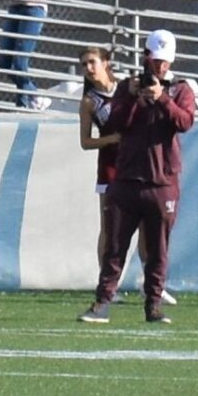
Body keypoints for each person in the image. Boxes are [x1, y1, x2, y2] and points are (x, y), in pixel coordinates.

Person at [81, 28, 195, 326]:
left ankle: (153, 305)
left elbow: (185, 122)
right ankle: (102, 303)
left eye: (165, 61)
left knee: (158, 250)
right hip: (127, 179)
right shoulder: (126, 88)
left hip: (163, 182)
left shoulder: (181, 89)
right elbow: (113, 123)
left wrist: (162, 99)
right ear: (146, 57)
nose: (161, 67)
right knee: (115, 247)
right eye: (156, 61)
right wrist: (132, 97)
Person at [76, 45, 121, 275]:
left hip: (136, 163)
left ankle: (151, 283)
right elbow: (85, 142)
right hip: (110, 166)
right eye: (84, 64)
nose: (88, 68)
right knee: (109, 227)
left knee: (146, 225)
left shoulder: (125, 89)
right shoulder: (88, 102)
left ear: (106, 63)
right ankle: (106, 281)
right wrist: (111, 139)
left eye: (92, 62)